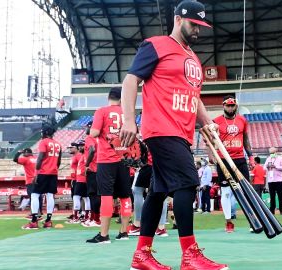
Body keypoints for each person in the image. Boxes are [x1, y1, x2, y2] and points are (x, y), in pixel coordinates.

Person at [119, 1, 228, 268]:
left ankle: (141, 254)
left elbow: (195, 97)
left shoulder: (192, 58)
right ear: (179, 19)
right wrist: (129, 119)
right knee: (187, 183)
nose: (197, 32)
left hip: (182, 133)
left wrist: (208, 124)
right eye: (193, 25)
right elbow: (131, 80)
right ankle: (189, 255)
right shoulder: (155, 45)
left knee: (158, 191)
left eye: (201, 27)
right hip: (162, 129)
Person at [86, 87, 133, 243]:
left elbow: (93, 132)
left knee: (106, 195)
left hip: (106, 159)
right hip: (124, 158)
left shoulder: (102, 111)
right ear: (121, 98)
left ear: (109, 97)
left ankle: (104, 234)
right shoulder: (127, 113)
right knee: (125, 196)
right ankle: (124, 232)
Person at [212, 95, 254, 232]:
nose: (230, 107)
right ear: (223, 105)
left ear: (236, 106)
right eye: (228, 105)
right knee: (225, 193)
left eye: (232, 105)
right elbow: (210, 141)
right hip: (224, 160)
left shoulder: (242, 120)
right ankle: (229, 222)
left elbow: (246, 139)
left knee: (247, 191)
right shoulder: (216, 121)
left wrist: (251, 157)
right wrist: (211, 154)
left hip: (240, 159)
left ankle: (253, 221)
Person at [22, 125, 62, 229]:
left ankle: (34, 221)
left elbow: (39, 158)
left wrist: (36, 174)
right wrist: (54, 169)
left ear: (45, 133)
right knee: (50, 196)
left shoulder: (43, 142)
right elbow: (59, 162)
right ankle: (48, 221)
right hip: (53, 173)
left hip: (43, 172)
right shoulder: (58, 144)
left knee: (35, 195)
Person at [13, 148, 43, 219]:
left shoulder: (26, 159)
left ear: (27, 153)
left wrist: (19, 152)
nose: (23, 154)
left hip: (30, 181)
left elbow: (15, 159)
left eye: (24, 153)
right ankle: (39, 212)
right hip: (39, 180)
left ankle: (34, 213)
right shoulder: (37, 158)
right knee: (39, 197)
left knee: (33, 197)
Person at [82, 121, 101, 227]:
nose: (86, 130)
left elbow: (92, 150)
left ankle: (96, 219)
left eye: (87, 127)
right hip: (102, 169)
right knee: (98, 195)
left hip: (93, 169)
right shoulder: (101, 138)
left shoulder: (90, 138)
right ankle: (94, 218)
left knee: (93, 195)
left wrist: (86, 165)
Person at [68, 141, 91, 224]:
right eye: (79, 146)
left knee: (76, 197)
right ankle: (86, 216)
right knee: (86, 198)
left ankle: (76, 217)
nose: (80, 147)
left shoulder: (83, 156)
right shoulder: (83, 155)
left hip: (81, 179)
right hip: (81, 179)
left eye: (82, 146)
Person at [264, 147, 282, 215]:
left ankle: (281, 210)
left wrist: (275, 166)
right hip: (271, 180)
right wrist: (267, 166)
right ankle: (272, 211)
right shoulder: (268, 159)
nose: (271, 154)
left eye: (272, 153)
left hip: (279, 180)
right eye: (270, 153)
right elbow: (264, 167)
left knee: (280, 196)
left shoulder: (280, 158)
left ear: (276, 152)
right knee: (272, 197)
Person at [67, 142, 82, 220]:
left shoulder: (79, 156)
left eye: (71, 147)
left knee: (77, 196)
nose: (70, 149)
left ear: (76, 148)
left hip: (78, 179)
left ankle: (78, 214)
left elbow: (82, 165)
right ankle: (77, 213)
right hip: (75, 179)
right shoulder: (74, 156)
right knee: (75, 196)